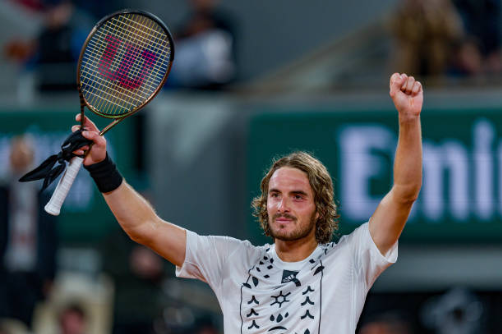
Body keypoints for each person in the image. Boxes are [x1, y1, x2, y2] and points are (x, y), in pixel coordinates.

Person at [72, 73, 423, 333]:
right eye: (275, 195)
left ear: (320, 208)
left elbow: (404, 192)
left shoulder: (349, 260)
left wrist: (408, 121)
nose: (283, 205)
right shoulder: (233, 260)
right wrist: (103, 167)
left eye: (297, 196)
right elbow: (144, 228)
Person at [0, 135, 58, 330]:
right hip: (5, 273)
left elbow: (51, 238)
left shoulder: (43, 197)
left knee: (30, 325)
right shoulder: (3, 194)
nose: (20, 161)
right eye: (17, 156)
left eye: (25, 157)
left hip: (34, 276)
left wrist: (50, 276)